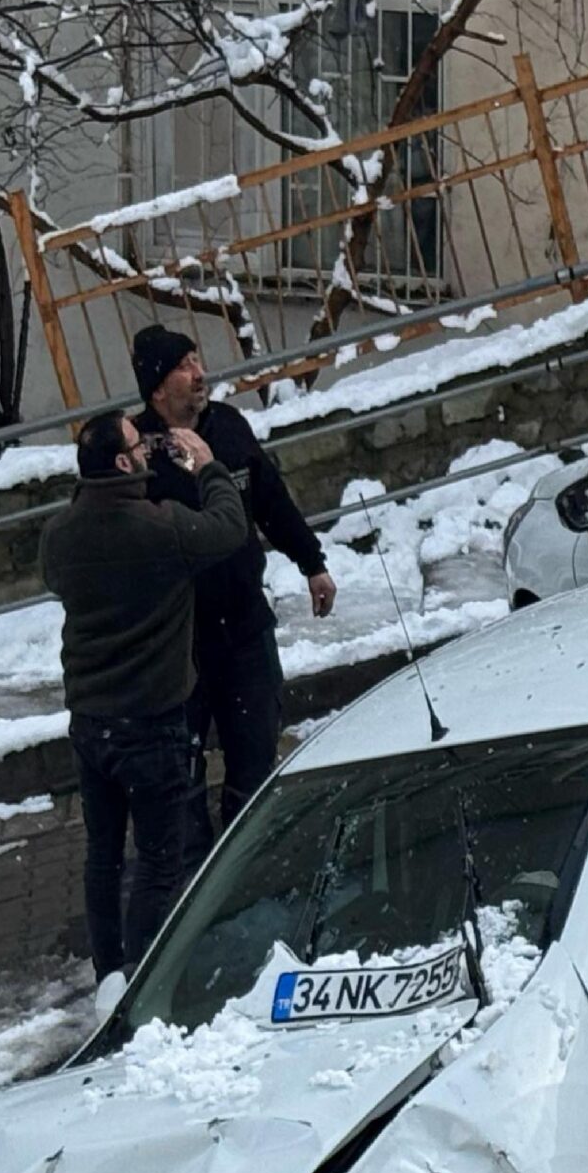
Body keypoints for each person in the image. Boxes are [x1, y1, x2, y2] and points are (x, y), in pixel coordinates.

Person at [40, 408, 248, 1001]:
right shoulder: (158, 529)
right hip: (152, 725)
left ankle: (109, 973)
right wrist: (208, 469)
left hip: (91, 724)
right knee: (157, 862)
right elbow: (227, 528)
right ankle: (144, 984)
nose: (148, 450)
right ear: (124, 462)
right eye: (139, 444)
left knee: (103, 857)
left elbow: (56, 577)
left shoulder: (61, 534)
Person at [129, 326, 338, 843]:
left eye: (197, 360)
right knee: (181, 776)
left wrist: (311, 561)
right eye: (184, 366)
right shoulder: (136, 450)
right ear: (157, 387)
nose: (200, 375)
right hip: (178, 644)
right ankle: (196, 875)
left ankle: (248, 859)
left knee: (255, 759)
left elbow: (270, 500)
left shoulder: (229, 427)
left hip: (244, 628)